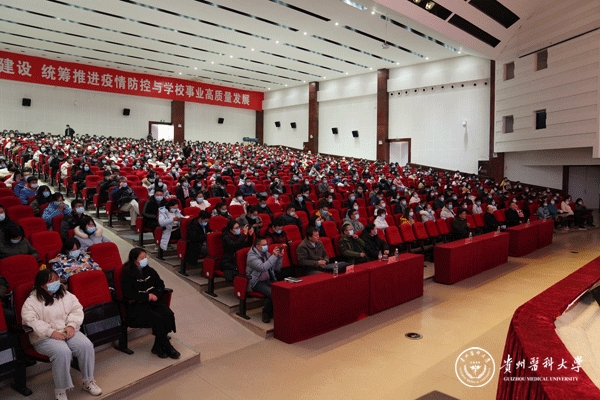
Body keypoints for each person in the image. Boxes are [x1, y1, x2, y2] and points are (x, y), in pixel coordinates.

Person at [21, 269, 102, 400]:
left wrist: (71, 325)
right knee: (62, 352)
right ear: (41, 285)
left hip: (67, 330)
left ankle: (88, 382)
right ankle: (61, 390)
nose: (55, 283)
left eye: (56, 279)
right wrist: (50, 332)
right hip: (44, 337)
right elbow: (30, 320)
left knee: (86, 345)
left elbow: (76, 309)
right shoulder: (32, 301)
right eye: (50, 281)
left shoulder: (65, 294)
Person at [120, 248, 179, 359]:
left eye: (145, 257)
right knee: (157, 318)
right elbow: (129, 294)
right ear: (134, 260)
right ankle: (167, 346)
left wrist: (156, 294)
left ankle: (157, 346)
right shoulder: (128, 274)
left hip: (153, 303)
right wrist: (147, 296)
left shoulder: (149, 270)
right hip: (137, 306)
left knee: (168, 314)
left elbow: (160, 284)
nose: (145, 260)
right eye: (142, 258)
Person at [245, 237, 283, 323]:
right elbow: (263, 267)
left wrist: (279, 257)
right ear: (258, 246)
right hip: (257, 282)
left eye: (267, 244)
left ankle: (274, 311)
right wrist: (274, 256)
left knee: (281, 290)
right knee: (272, 293)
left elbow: (276, 268)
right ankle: (266, 312)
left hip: (268, 279)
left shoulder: (265, 253)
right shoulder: (251, 256)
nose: (266, 246)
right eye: (264, 245)